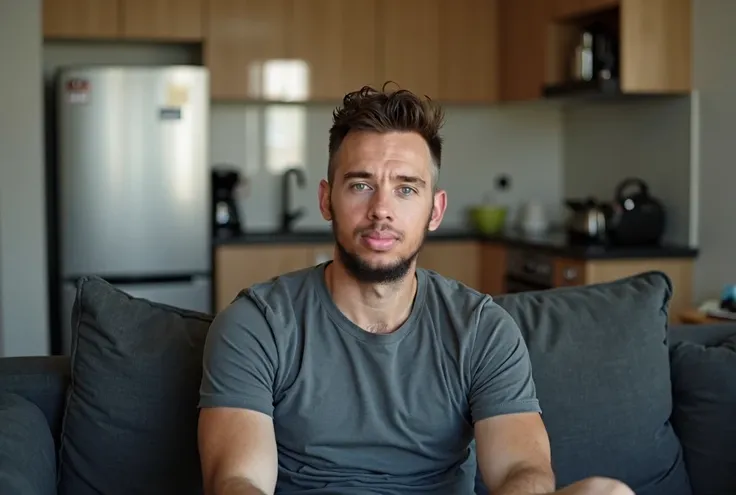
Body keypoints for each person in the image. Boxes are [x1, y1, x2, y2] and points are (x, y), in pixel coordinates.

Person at [197, 84, 634, 495]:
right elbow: (238, 480)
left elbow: (524, 469)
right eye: (361, 185)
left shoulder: (482, 330)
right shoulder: (258, 324)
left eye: (406, 188)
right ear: (327, 200)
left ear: (435, 210)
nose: (381, 210)